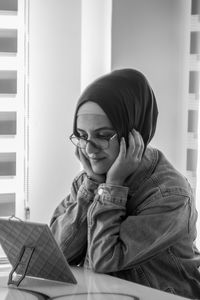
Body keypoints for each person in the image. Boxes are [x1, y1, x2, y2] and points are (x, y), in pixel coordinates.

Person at [50, 69, 200, 298]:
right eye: (81, 135)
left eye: (102, 135)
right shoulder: (89, 179)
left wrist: (113, 187)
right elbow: (57, 255)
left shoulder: (171, 195)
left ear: (134, 134)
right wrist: (91, 186)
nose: (89, 149)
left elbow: (104, 260)